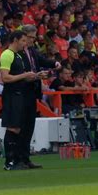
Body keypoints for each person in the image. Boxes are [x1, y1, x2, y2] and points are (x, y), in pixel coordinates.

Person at [18, 25, 59, 169]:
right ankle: (18, 159)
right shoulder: (16, 53)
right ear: (23, 36)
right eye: (31, 37)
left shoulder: (32, 51)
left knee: (29, 127)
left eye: (34, 37)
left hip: (31, 92)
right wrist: (36, 75)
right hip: (21, 93)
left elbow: (41, 60)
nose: (33, 40)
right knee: (21, 127)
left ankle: (25, 158)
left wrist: (54, 63)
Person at [0, 31, 37, 171]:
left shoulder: (18, 56)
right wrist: (25, 74)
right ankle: (9, 162)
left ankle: (16, 160)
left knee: (18, 128)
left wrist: (35, 76)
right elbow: (5, 78)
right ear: (15, 40)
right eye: (23, 41)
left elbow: (19, 77)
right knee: (13, 127)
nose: (25, 44)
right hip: (11, 95)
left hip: (19, 94)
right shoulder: (7, 54)